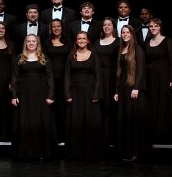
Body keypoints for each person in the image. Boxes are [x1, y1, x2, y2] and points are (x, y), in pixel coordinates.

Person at [11, 34, 56, 160]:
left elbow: (50, 77)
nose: (31, 43)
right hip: (24, 96)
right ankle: (25, 152)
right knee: (25, 120)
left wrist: (51, 95)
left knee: (40, 120)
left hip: (41, 96)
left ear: (37, 43)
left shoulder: (44, 57)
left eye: (33, 41)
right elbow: (14, 77)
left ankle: (41, 151)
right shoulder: (19, 58)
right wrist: (14, 95)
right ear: (25, 43)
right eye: (29, 41)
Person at [64, 31, 104, 160]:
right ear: (76, 41)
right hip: (75, 93)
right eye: (79, 39)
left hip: (90, 93)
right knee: (76, 121)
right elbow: (67, 76)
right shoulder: (71, 55)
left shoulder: (94, 55)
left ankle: (91, 152)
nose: (81, 40)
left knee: (90, 121)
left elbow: (98, 76)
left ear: (88, 41)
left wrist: (97, 93)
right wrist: (67, 94)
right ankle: (76, 152)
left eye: (84, 38)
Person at [114, 25, 151, 162]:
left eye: (127, 32)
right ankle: (126, 151)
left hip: (133, 88)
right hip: (123, 89)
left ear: (132, 33)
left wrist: (137, 87)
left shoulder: (138, 49)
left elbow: (141, 70)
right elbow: (118, 72)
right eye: (123, 32)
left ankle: (136, 151)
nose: (125, 34)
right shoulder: (121, 49)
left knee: (134, 120)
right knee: (124, 119)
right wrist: (116, 90)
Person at [145, 18, 172, 143]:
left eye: (156, 26)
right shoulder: (147, 42)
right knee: (154, 103)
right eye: (151, 26)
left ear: (160, 27)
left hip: (165, 77)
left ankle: (168, 135)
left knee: (165, 104)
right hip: (152, 78)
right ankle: (155, 134)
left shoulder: (167, 41)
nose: (153, 28)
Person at [92, 17, 120, 148]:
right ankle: (99, 138)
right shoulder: (96, 42)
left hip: (111, 77)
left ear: (113, 27)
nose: (106, 27)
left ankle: (111, 139)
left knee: (110, 107)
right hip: (97, 77)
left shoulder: (118, 41)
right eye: (104, 25)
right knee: (99, 108)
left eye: (109, 25)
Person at [42, 18, 70, 144]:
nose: (56, 28)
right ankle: (52, 137)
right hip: (50, 80)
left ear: (62, 28)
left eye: (58, 26)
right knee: (51, 109)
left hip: (65, 80)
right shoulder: (46, 43)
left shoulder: (69, 42)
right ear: (50, 28)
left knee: (64, 109)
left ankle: (64, 137)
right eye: (54, 27)